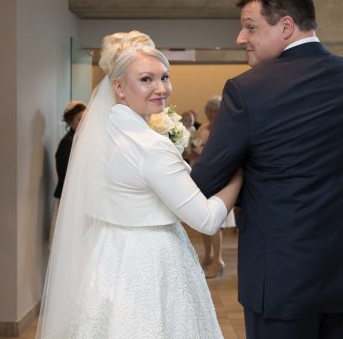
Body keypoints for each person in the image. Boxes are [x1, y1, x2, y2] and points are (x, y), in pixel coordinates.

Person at [191, 0, 343, 339]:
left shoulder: (246, 90)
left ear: (286, 26)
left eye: (250, 27)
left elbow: (204, 182)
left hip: (279, 281)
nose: (242, 39)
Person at [36, 30, 243, 339]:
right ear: (118, 86)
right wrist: (240, 171)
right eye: (146, 79)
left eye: (164, 77)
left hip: (106, 255)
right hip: (152, 262)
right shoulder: (151, 147)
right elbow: (208, 219)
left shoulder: (99, 134)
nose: (161, 88)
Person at [190, 96, 236, 278]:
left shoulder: (226, 129)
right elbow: (193, 149)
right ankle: (208, 256)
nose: (212, 114)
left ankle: (218, 260)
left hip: (218, 178)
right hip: (201, 177)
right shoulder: (202, 129)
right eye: (209, 111)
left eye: (215, 111)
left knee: (215, 221)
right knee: (203, 220)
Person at [50, 100, 86, 243]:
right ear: (71, 121)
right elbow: (66, 176)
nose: (84, 122)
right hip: (69, 198)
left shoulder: (80, 140)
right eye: (79, 119)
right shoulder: (68, 142)